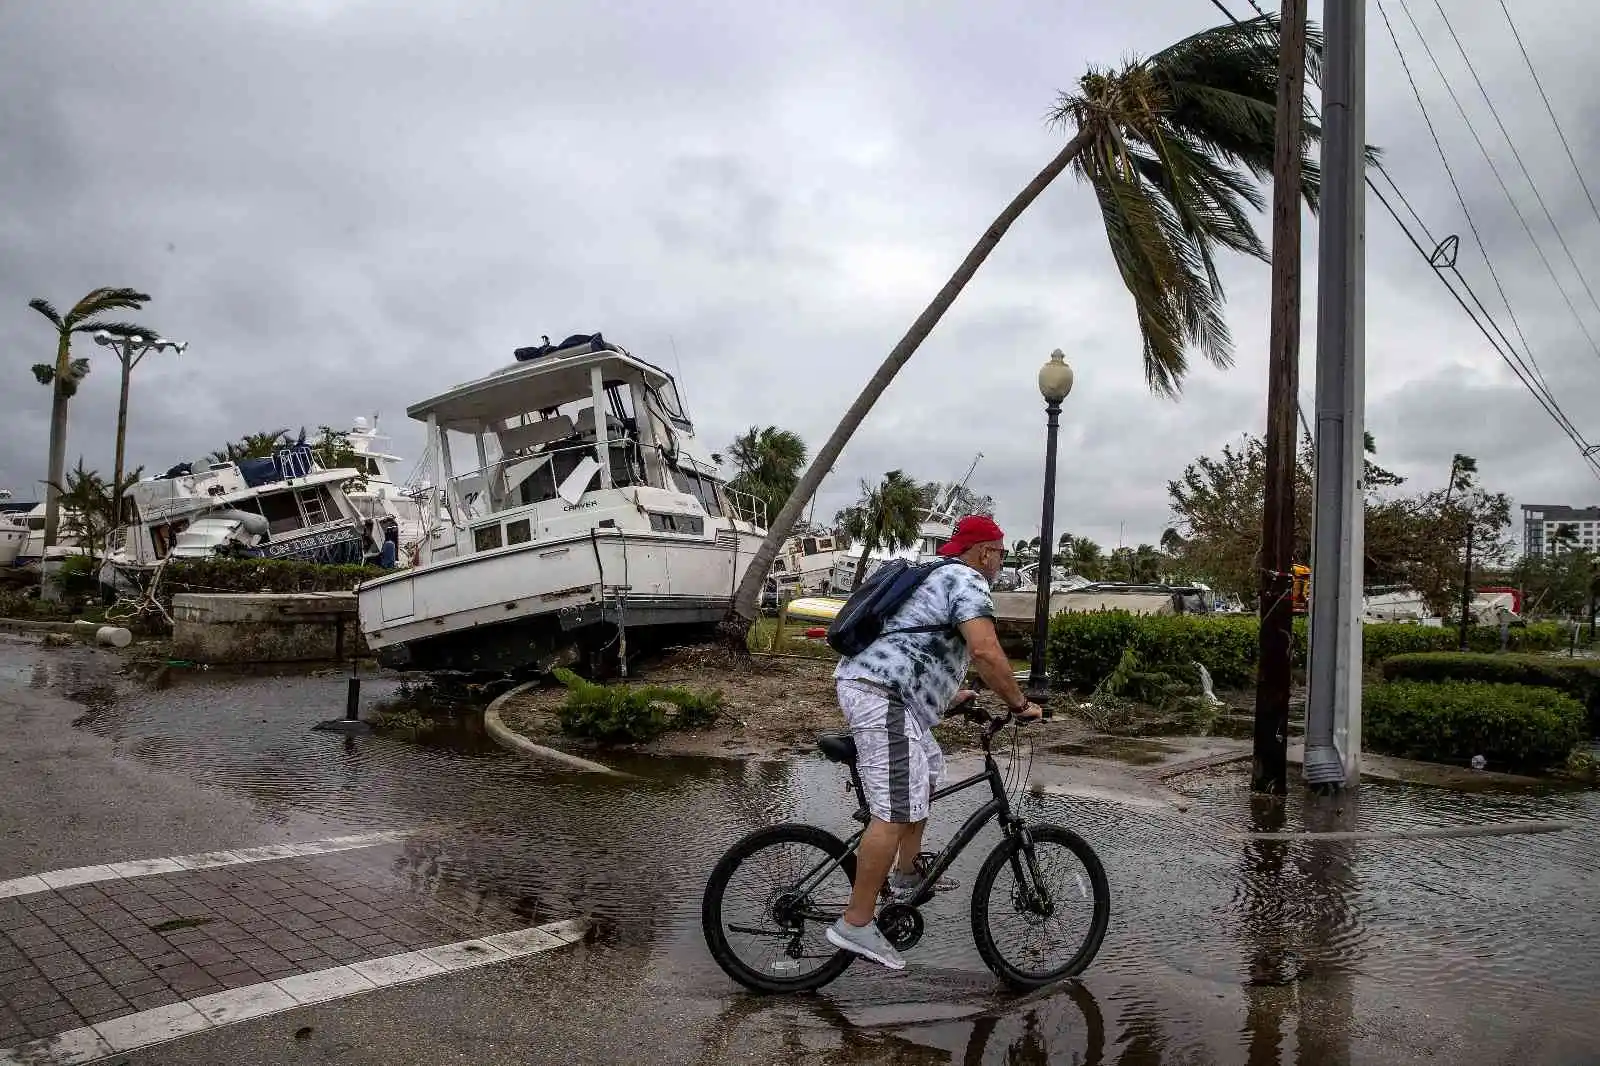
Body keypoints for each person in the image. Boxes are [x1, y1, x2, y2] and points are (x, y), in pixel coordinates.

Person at [825, 514, 1043, 970]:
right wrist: (1019, 704)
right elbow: (984, 650)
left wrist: (951, 695)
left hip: (888, 693)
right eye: (1001, 554)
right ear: (984, 552)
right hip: (879, 693)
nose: (1002, 562)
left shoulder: (936, 574)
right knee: (896, 807)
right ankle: (856, 923)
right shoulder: (967, 580)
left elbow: (914, 644)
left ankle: (905, 876)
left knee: (926, 775)